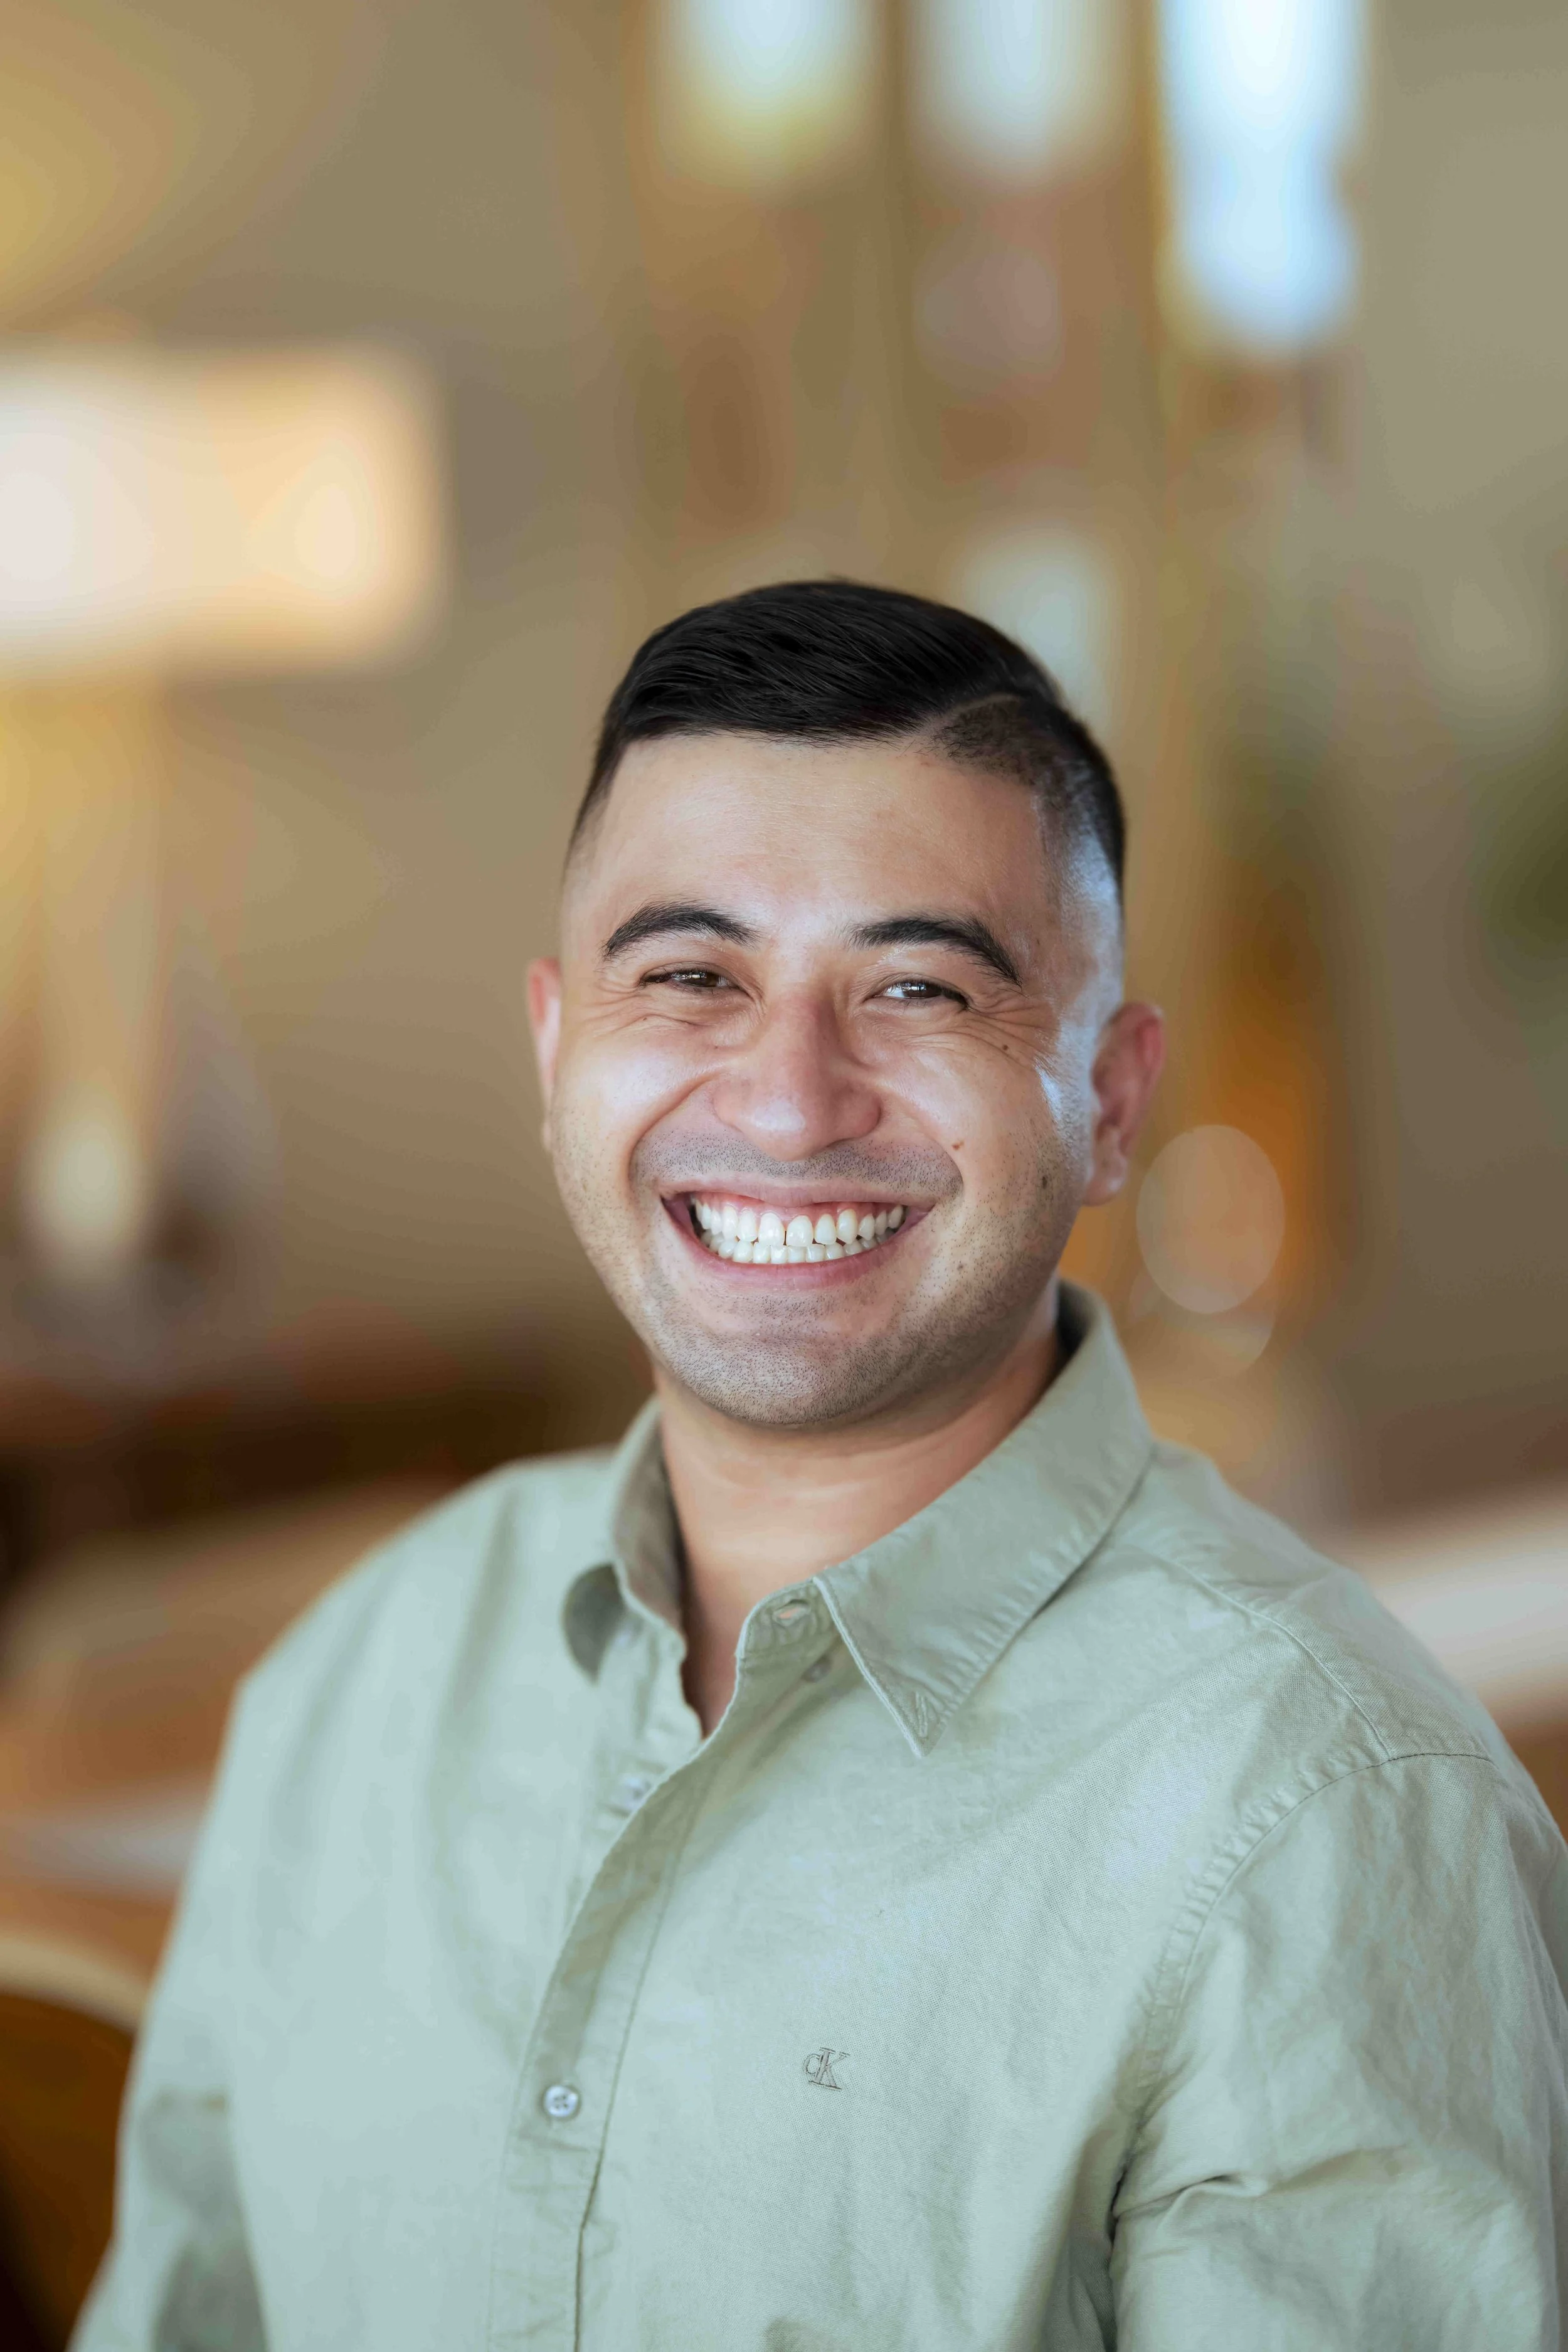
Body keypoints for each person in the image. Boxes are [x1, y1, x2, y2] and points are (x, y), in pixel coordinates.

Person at [80, 581, 1568, 2352]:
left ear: (1108, 1099)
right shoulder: (360, 1677)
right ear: (557, 1052)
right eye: (690, 976)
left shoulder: (1331, 1813)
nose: (789, 1102)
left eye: (919, 987)